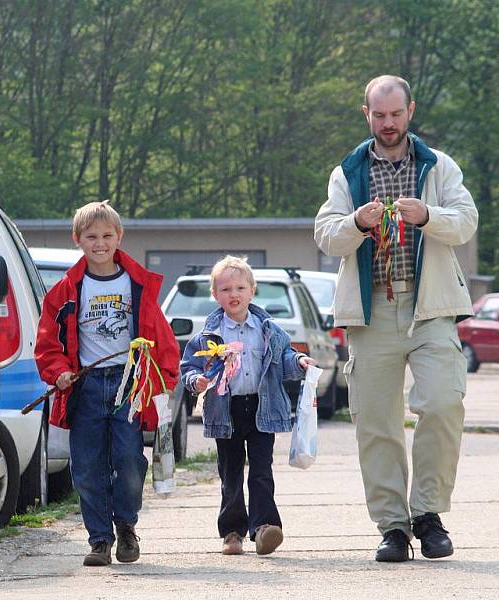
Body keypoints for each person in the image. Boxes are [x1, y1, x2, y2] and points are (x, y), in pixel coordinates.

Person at [314, 75, 478, 562]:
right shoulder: (347, 172)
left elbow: (466, 223)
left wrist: (427, 215)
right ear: (366, 114)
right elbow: (325, 235)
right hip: (372, 312)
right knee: (377, 423)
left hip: (430, 309)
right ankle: (392, 527)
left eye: (396, 114)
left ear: (411, 111)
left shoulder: (438, 167)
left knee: (444, 403)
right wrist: (357, 224)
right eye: (378, 115)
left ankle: (428, 515)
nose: (388, 123)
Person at [34, 200, 179, 567]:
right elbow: (48, 343)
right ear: (77, 239)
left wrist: (167, 378)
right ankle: (99, 540)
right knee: (86, 465)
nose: (100, 243)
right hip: (85, 386)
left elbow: (160, 336)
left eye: (107, 235)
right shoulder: (66, 291)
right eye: (91, 236)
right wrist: (59, 372)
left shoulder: (137, 285)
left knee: (130, 459)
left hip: (129, 386)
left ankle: (126, 526)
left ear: (119, 237)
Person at [180, 255, 314, 556]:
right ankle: (232, 531)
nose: (234, 294)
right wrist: (196, 381)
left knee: (261, 470)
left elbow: (284, 359)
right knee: (230, 473)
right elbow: (188, 367)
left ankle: (265, 527)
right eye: (225, 289)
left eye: (240, 287)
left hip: (261, 408)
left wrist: (300, 362)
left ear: (252, 290)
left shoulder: (268, 329)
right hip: (225, 411)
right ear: (215, 295)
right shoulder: (208, 335)